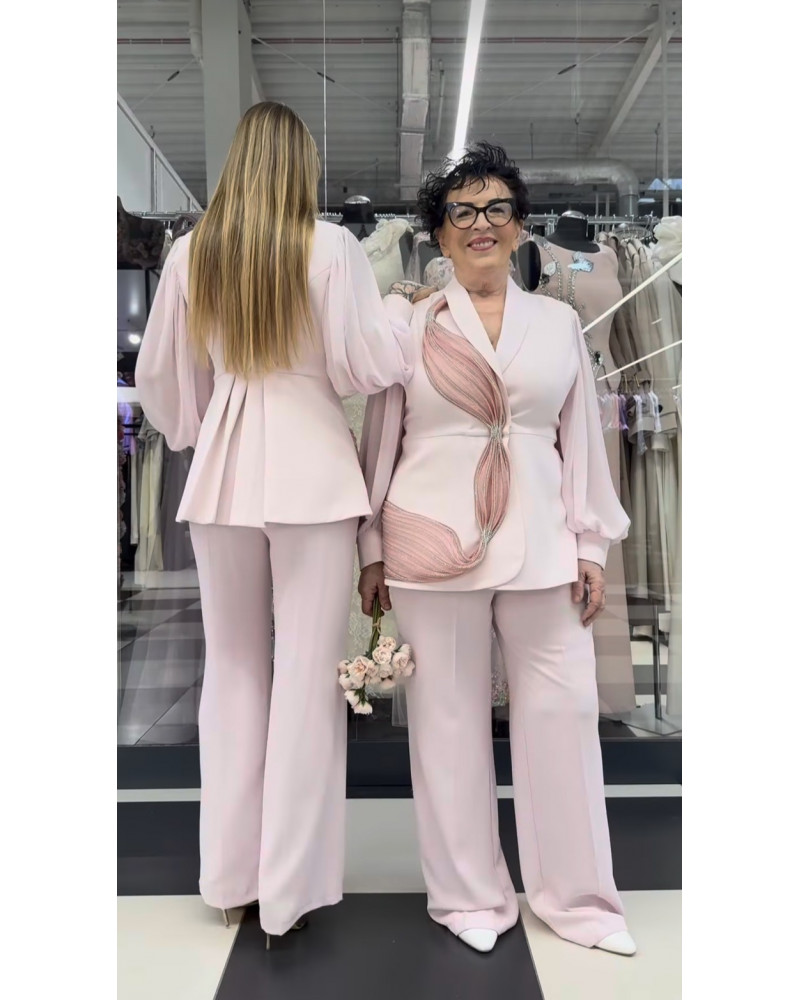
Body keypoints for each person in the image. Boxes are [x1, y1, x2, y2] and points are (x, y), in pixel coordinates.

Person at [136, 101, 411, 947]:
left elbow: (162, 381)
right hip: (313, 469)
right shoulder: (329, 248)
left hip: (224, 467)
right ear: (300, 165)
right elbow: (365, 365)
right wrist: (403, 325)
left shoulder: (192, 253)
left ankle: (230, 877)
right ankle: (289, 890)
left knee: (232, 671)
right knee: (305, 678)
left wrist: (206, 423)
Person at [357, 142, 637, 957]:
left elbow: (580, 440)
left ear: (519, 226)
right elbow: (381, 433)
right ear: (440, 232)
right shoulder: (408, 323)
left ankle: (580, 900)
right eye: (463, 211)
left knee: (565, 713)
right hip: (429, 537)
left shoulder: (558, 323)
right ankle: (468, 896)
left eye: (497, 208)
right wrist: (371, 546)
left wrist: (592, 543)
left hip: (545, 539)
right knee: (445, 720)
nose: (481, 223)